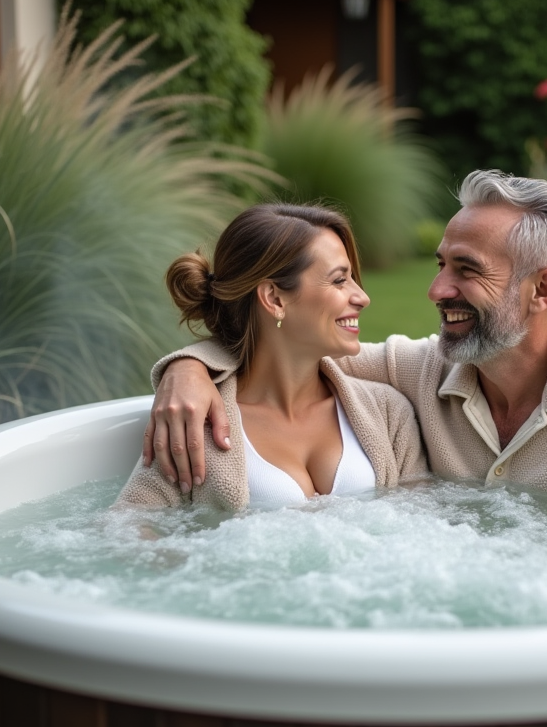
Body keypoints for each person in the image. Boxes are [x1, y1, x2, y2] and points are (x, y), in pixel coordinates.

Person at [143, 171, 547, 512]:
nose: (436, 290)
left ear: (542, 290)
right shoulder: (418, 373)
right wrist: (189, 367)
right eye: (439, 265)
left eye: (466, 270)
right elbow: (293, 352)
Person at [117, 203, 427, 510]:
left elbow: (425, 523)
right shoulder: (196, 422)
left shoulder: (388, 414)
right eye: (339, 280)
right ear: (275, 299)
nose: (362, 297)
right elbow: (127, 529)